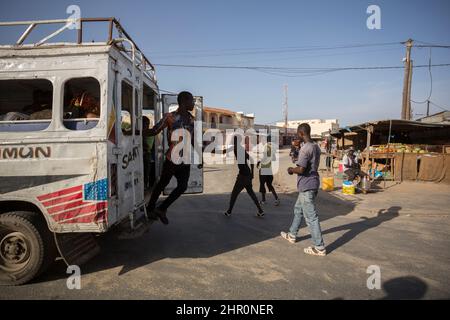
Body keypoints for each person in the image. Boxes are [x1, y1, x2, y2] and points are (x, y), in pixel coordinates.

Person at [145, 91, 196, 225]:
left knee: (182, 187)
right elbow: (154, 130)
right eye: (192, 101)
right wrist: (134, 132)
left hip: (185, 159)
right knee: (162, 183)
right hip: (172, 158)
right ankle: (150, 208)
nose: (194, 103)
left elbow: (194, 140)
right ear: (184, 101)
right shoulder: (170, 117)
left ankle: (161, 208)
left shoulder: (192, 119)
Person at [280, 123, 326, 256]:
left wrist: (291, 170)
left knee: (311, 217)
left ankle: (319, 247)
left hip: (307, 185)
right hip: (313, 182)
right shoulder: (315, 146)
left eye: (297, 134)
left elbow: (301, 168)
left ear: (301, 134)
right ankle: (292, 234)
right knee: (298, 210)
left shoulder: (305, 149)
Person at [224, 136, 264, 217]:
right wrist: (252, 173)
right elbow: (252, 160)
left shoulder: (235, 148)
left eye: (233, 140)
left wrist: (208, 150)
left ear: (236, 141)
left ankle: (229, 211)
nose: (232, 142)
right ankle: (260, 210)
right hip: (248, 174)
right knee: (251, 193)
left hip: (242, 176)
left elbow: (222, 152)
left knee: (234, 194)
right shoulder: (242, 149)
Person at [258, 135, 280, 206]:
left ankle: (263, 200)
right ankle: (276, 198)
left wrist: (260, 162)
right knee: (269, 184)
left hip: (264, 168)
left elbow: (265, 157)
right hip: (269, 169)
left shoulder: (267, 147)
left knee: (262, 184)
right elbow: (274, 158)